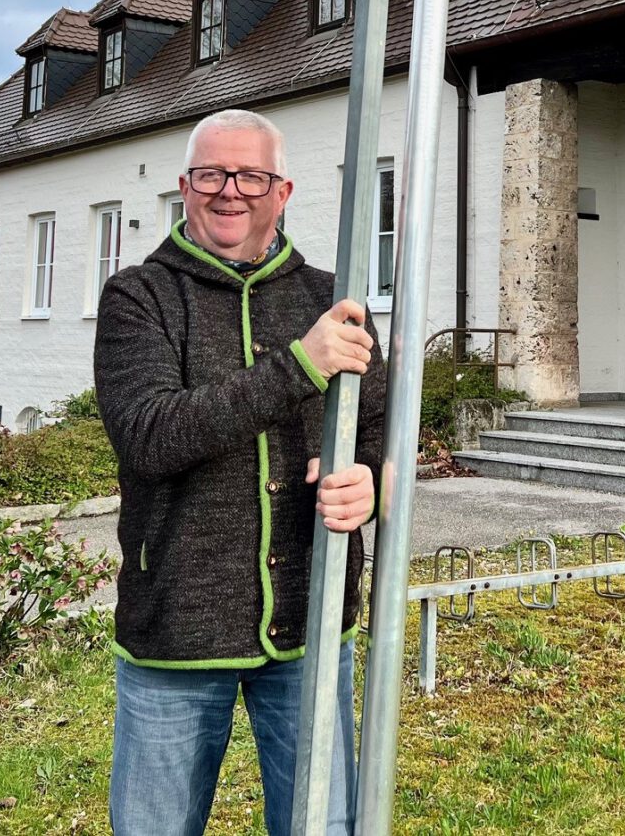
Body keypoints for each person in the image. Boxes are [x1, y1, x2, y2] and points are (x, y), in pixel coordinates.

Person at [94, 107, 386, 836]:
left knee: (321, 826)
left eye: (251, 175)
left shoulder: (331, 300)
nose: (231, 191)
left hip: (310, 622)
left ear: (282, 191)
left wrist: (370, 481)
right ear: (184, 187)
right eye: (211, 175)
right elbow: (150, 436)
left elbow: (375, 424)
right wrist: (298, 367)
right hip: (177, 631)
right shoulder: (140, 296)